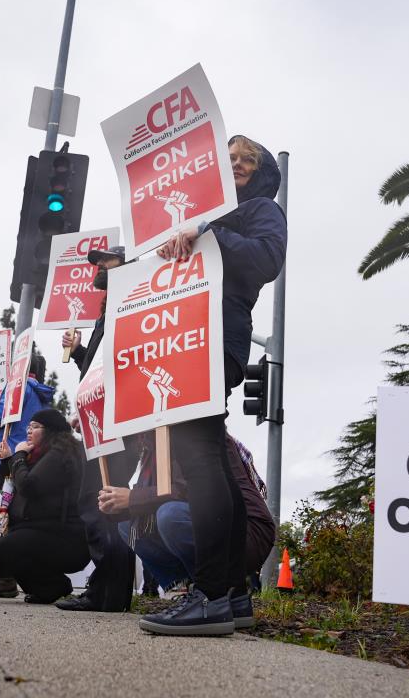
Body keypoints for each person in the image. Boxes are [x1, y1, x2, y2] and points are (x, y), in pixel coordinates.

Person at [141, 136, 285, 635]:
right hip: (181, 340)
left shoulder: (261, 209)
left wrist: (206, 232)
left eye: (249, 159)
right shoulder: (196, 218)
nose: (240, 165)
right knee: (208, 460)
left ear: (261, 172)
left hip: (215, 338)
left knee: (201, 461)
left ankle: (210, 595)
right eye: (230, 158)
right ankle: (234, 595)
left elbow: (266, 260)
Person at [101, 433, 275, 629]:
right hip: (225, 527)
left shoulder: (187, 433)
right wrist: (115, 505)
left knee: (171, 515)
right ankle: (227, 596)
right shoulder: (155, 447)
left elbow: (193, 490)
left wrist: (132, 498)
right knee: (128, 526)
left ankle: (210, 597)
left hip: (246, 530)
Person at [55, 246, 139, 613]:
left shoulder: (130, 302)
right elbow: (99, 370)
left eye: (106, 260)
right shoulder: (109, 310)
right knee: (102, 503)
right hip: (103, 419)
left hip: (119, 422)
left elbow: (124, 362)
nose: (98, 266)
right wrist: (78, 353)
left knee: (100, 503)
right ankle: (108, 590)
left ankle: (107, 592)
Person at [0, 352, 55, 599]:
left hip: (3, 460)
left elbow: (0, 416)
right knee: (11, 520)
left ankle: (0, 579)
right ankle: (5, 577)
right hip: (22, 460)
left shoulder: (19, 386)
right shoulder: (39, 393)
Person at [0, 409, 89, 603]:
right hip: (46, 530)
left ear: (50, 430)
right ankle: (49, 588)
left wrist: (17, 456)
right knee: (8, 546)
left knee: (5, 549)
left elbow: (28, 485)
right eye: (28, 427)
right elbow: (18, 483)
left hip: (65, 537)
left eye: (34, 427)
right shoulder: (41, 455)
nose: (28, 431)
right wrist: (8, 461)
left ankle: (54, 585)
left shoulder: (60, 453)